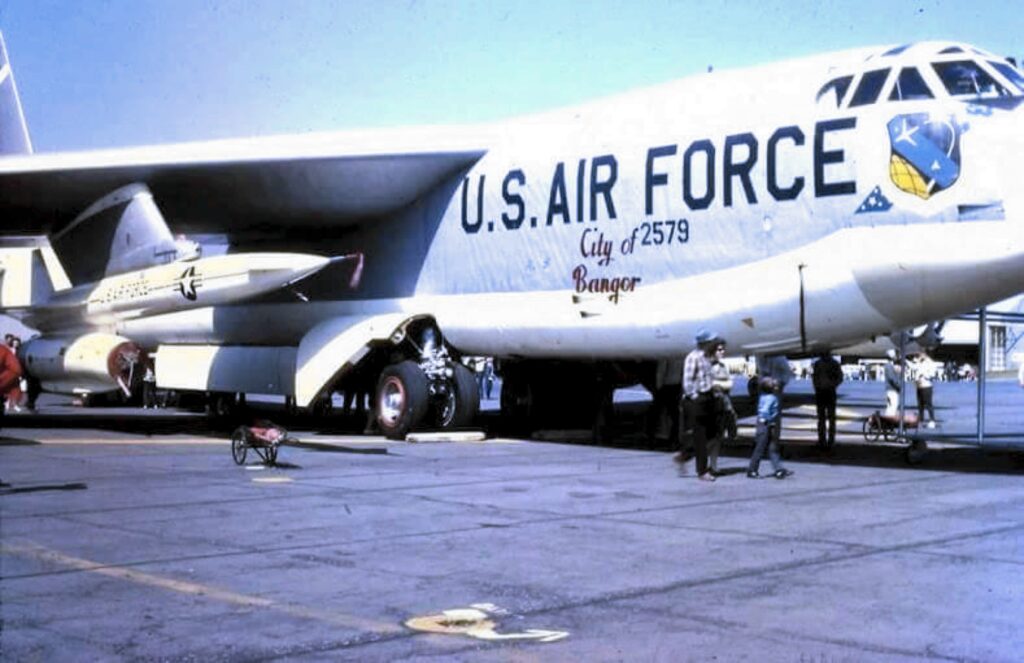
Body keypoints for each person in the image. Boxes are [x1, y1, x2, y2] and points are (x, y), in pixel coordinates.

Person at [681, 329, 722, 482]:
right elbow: (688, 380)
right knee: (701, 436)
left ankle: (686, 454)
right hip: (697, 400)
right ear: (705, 342)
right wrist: (695, 397)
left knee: (712, 433)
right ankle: (702, 471)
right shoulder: (693, 357)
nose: (715, 343)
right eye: (712, 341)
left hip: (708, 397)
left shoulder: (707, 357)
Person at [747, 377, 792, 479]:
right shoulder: (771, 398)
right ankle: (752, 469)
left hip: (766, 424)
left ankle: (778, 469)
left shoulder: (763, 396)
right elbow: (765, 411)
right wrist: (768, 421)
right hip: (766, 425)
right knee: (761, 448)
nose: (776, 385)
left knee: (772, 448)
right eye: (774, 384)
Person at [709, 342, 736, 473]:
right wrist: (722, 384)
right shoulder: (707, 366)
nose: (722, 352)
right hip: (712, 405)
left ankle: (713, 465)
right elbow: (709, 384)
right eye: (719, 350)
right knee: (711, 437)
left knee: (718, 437)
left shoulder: (723, 366)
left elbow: (730, 384)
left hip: (723, 405)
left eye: (723, 350)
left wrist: (719, 384)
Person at [648, 357, 684, 446]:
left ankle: (653, 435)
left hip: (666, 386)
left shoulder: (666, 356)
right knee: (674, 413)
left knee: (656, 412)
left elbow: (661, 371)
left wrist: (658, 387)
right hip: (676, 385)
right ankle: (674, 437)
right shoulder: (681, 357)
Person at [812, 353, 843, 448]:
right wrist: (832, 384)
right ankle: (827, 440)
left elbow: (815, 378)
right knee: (827, 418)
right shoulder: (833, 363)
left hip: (825, 392)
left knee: (825, 418)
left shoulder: (822, 364)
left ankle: (825, 440)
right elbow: (840, 378)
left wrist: (829, 385)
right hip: (826, 392)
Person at [914, 354, 937, 428]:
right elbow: (914, 368)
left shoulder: (930, 363)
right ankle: (921, 420)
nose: (919, 356)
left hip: (926, 386)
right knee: (920, 405)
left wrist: (924, 374)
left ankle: (932, 420)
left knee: (928, 404)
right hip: (919, 385)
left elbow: (932, 374)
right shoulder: (918, 362)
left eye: (921, 354)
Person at [884, 350, 902, 416]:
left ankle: (887, 421)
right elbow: (892, 378)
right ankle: (889, 420)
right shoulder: (889, 366)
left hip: (891, 389)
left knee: (890, 406)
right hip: (892, 389)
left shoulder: (890, 366)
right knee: (893, 406)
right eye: (895, 356)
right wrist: (898, 386)